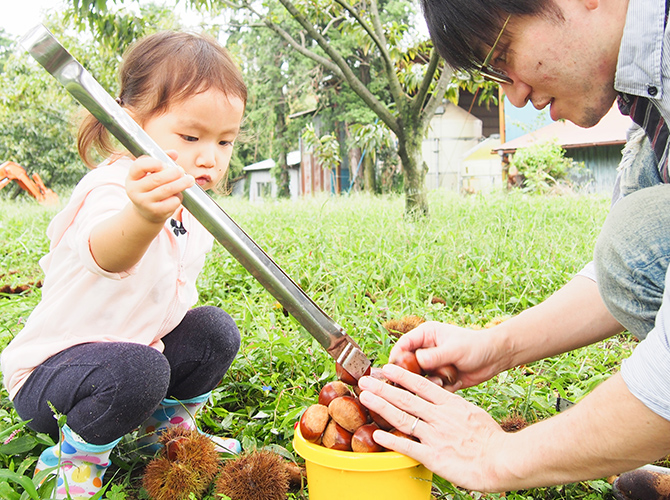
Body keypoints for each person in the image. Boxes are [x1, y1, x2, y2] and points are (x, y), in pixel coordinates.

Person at [357, 0, 670, 498]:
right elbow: (635, 265)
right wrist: (498, 346)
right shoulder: (648, 95)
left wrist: (498, 456)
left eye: (505, 54)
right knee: (639, 237)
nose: (516, 95)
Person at [0, 31, 247, 500]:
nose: (209, 158)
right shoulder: (112, 188)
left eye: (224, 142)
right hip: (54, 381)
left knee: (215, 330)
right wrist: (142, 217)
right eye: (191, 136)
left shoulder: (190, 210)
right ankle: (71, 466)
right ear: (130, 123)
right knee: (142, 370)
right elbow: (108, 253)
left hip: (135, 355)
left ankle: (166, 433)